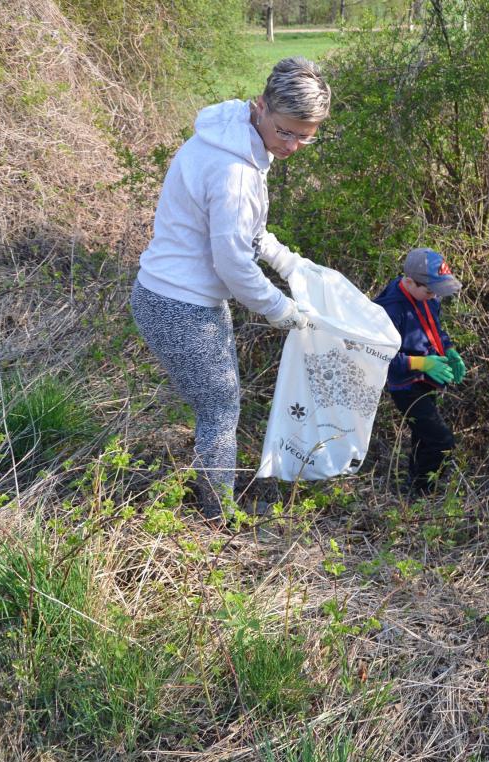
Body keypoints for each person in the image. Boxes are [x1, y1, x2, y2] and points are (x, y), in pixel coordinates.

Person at [130, 57, 331, 516]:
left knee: (218, 403)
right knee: (220, 408)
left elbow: (248, 232)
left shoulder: (237, 136)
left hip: (179, 296)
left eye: (306, 136)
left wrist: (289, 263)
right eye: (286, 132)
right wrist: (280, 308)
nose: (293, 146)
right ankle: (217, 516)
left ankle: (211, 497)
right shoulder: (234, 169)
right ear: (261, 106)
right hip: (177, 303)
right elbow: (233, 263)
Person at [373, 247, 467, 496]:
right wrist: (421, 364)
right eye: (429, 291)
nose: (434, 295)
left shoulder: (427, 295)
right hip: (406, 386)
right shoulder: (390, 309)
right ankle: (424, 492)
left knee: (423, 436)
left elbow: (435, 328)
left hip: (428, 378)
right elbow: (379, 357)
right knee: (441, 441)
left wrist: (449, 349)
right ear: (408, 281)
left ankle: (413, 488)